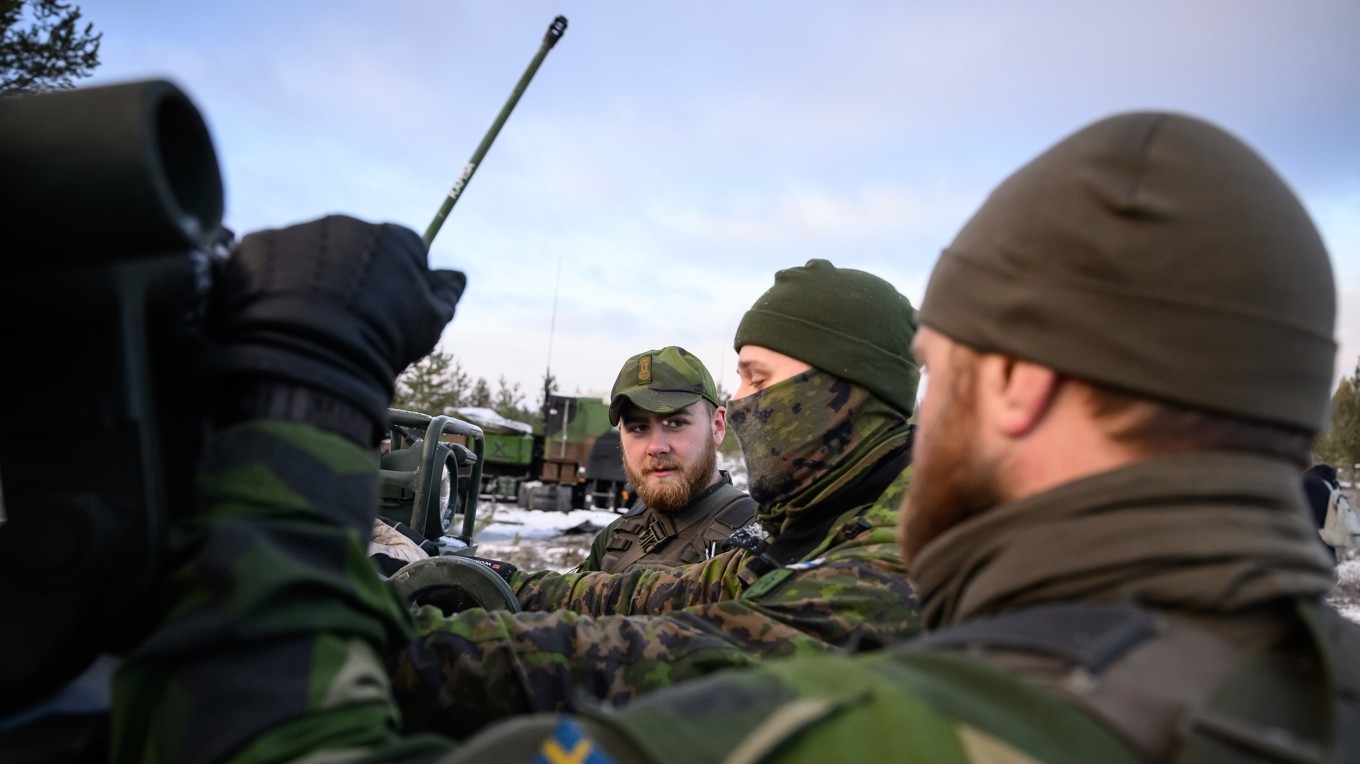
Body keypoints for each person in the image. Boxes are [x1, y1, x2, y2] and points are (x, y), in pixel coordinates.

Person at [446, 110, 1359, 761]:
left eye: (947, 367)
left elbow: (715, 658)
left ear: (1018, 388)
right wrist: (489, 583)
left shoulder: (952, 694)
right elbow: (691, 586)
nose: (928, 408)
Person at [110, 246, 923, 758]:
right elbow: (622, 597)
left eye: (757, 380)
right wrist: (447, 572)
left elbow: (684, 659)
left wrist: (371, 650)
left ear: (845, 389)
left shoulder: (904, 548)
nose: (743, 406)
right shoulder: (812, 530)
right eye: (738, 378)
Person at [575, 346, 756, 573]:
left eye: (676, 423)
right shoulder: (615, 539)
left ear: (717, 427)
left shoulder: (755, 538)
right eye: (639, 427)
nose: (656, 447)